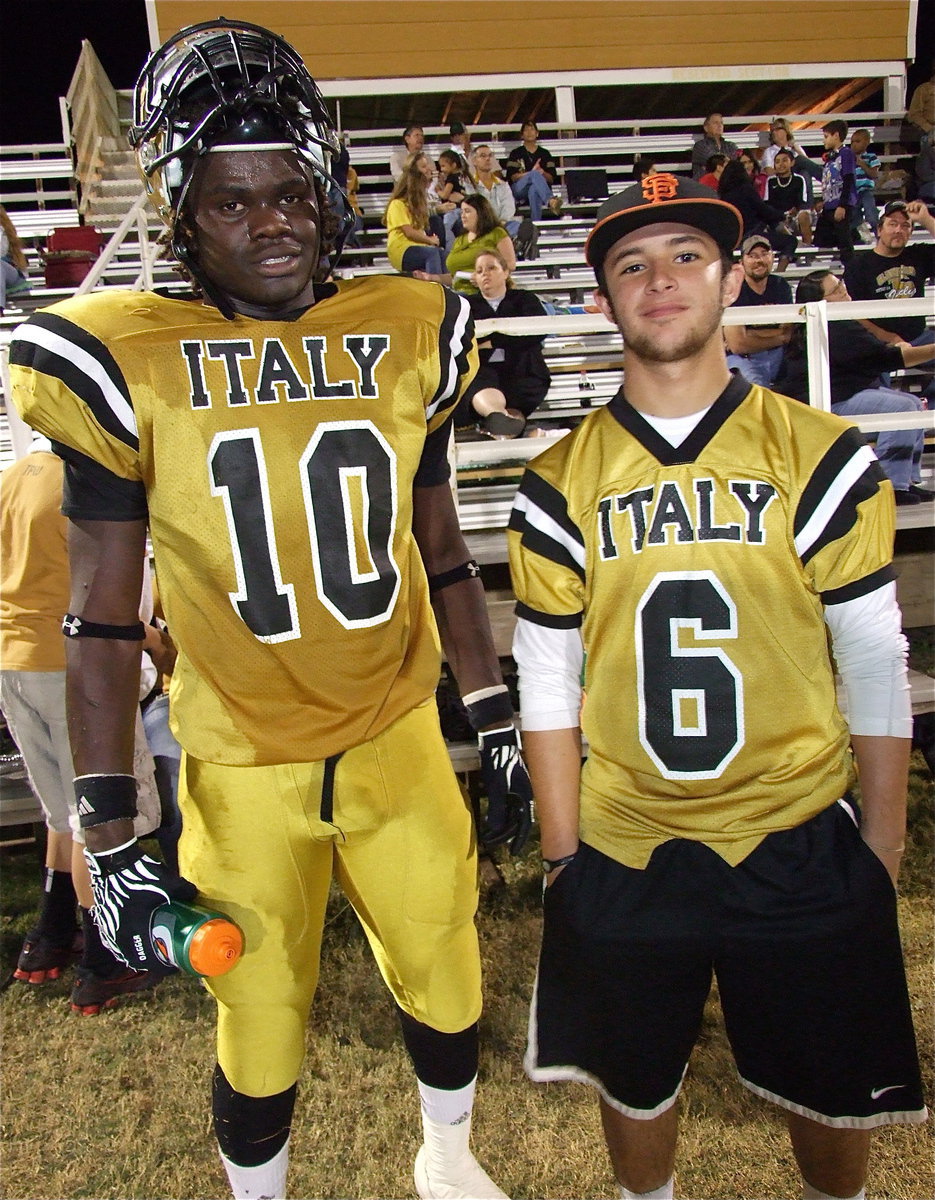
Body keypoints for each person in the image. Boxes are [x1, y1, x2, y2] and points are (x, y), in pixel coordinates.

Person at [10, 19, 533, 1200]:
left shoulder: (402, 329)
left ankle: (445, 1153)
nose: (273, 221)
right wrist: (107, 833)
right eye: (234, 201)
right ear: (184, 216)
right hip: (240, 756)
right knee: (258, 1006)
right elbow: (98, 619)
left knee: (447, 966)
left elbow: (443, 551)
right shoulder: (129, 354)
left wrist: (490, 712)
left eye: (289, 190)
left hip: (393, 729)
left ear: (327, 189)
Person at [508, 172, 926, 1200]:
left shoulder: (819, 452)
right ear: (602, 300)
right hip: (623, 834)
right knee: (633, 1080)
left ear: (731, 276)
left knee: (826, 1089)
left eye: (685, 256)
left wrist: (880, 841)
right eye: (630, 265)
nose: (660, 281)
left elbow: (872, 656)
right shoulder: (561, 477)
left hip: (793, 824)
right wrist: (563, 854)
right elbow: (547, 682)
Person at [0, 438, 163, 1014]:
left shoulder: (17, 475)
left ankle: (47, 941)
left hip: (13, 662)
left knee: (63, 815)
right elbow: (117, 604)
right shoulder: (89, 486)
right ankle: (103, 962)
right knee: (100, 816)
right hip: (71, 669)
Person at [781, 270, 934, 505]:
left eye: (841, 284)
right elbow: (883, 357)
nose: (844, 291)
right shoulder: (833, 327)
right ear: (820, 302)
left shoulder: (842, 322)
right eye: (836, 290)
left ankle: (907, 480)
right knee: (903, 407)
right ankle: (889, 486)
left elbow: (876, 352)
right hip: (827, 403)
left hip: (846, 392)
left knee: (913, 403)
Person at [842, 198, 935, 403]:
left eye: (905, 225)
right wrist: (890, 338)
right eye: (892, 224)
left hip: (919, 337)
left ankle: (929, 405)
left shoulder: (917, 255)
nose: (898, 230)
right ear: (879, 229)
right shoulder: (859, 265)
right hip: (877, 343)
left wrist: (926, 219)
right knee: (867, 366)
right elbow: (857, 316)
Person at [456, 249, 551, 438]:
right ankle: (498, 418)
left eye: (491, 268)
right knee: (480, 380)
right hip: (482, 370)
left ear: (505, 272)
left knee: (519, 390)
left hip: (523, 368)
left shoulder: (525, 299)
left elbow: (535, 334)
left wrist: (492, 341)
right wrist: (508, 339)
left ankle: (500, 428)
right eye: (480, 270)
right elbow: (463, 340)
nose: (485, 274)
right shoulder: (465, 305)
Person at [723, 234, 793, 386]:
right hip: (742, 358)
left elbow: (789, 332)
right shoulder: (734, 288)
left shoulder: (781, 286)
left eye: (764, 254)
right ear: (741, 262)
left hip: (776, 355)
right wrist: (779, 337)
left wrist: (750, 333)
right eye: (752, 256)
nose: (759, 260)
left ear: (772, 257)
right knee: (754, 387)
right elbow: (737, 344)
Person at [718, 158, 796, 270]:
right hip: (752, 236)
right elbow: (763, 210)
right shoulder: (746, 189)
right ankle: (780, 271)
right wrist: (783, 215)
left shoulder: (724, 195)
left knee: (772, 222)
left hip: (734, 240)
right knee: (790, 241)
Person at [383, 152, 447, 275]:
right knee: (432, 253)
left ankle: (446, 290)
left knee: (443, 254)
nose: (428, 169)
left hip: (419, 246)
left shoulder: (419, 206)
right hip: (401, 249)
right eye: (423, 166)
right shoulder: (397, 204)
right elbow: (409, 232)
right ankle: (433, 289)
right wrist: (429, 240)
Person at [444, 194, 516, 293]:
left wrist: (482, 276)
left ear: (481, 213)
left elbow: (510, 265)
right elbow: (454, 277)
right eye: (462, 212)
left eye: (467, 211)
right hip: (459, 294)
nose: (463, 216)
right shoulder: (459, 240)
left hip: (485, 293)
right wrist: (431, 277)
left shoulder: (496, 233)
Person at [814, 120, 857, 263]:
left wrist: (842, 205)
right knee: (820, 238)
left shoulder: (846, 153)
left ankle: (851, 271)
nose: (823, 140)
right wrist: (824, 201)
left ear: (836, 135)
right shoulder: (831, 157)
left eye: (826, 136)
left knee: (845, 243)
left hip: (840, 205)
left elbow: (848, 179)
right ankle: (855, 233)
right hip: (829, 206)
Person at [504, 121, 562, 220]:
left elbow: (551, 179)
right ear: (522, 135)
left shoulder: (545, 154)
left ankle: (536, 225)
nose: (529, 132)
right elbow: (512, 177)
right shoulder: (516, 153)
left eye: (532, 129)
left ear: (537, 133)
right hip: (519, 189)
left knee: (534, 190)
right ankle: (550, 200)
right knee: (534, 174)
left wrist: (542, 172)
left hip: (537, 189)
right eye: (526, 130)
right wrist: (532, 173)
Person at [765, 147, 813, 244]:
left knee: (804, 216)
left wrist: (791, 214)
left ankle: (809, 254)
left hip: (794, 217)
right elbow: (767, 204)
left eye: (784, 160)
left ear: (792, 163)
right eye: (777, 162)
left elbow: (801, 203)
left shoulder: (799, 179)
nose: (781, 164)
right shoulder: (771, 181)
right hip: (778, 218)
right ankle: (795, 245)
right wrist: (781, 216)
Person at [849, 129, 881, 242]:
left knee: (871, 214)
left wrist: (862, 164)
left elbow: (874, 174)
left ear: (867, 142)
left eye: (857, 141)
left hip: (866, 191)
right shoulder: (848, 159)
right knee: (854, 218)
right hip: (852, 193)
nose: (854, 145)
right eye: (852, 142)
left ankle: (880, 237)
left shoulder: (871, 157)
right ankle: (859, 241)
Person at [690, 112, 738, 179]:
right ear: (706, 128)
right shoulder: (700, 146)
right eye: (715, 123)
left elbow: (735, 165)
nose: (719, 125)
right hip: (705, 186)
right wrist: (727, 161)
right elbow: (714, 162)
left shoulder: (730, 145)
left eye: (721, 123)